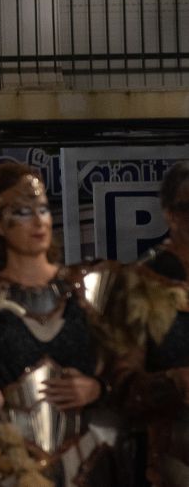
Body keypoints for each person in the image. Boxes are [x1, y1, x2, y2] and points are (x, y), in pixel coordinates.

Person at [0, 161, 129, 486]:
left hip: (86, 461)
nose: (38, 221)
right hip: (6, 464)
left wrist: (98, 388)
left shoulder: (89, 289)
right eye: (22, 211)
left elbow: (131, 371)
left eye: (43, 209)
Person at [111, 159, 189, 485]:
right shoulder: (141, 282)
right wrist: (175, 382)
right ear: (169, 212)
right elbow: (122, 386)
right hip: (172, 452)